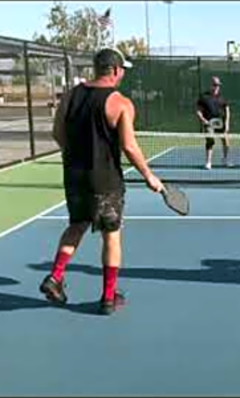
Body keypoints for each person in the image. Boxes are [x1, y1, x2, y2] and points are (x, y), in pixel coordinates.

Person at [39, 48, 164, 315]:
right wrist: (149, 176)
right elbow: (129, 147)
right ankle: (108, 297)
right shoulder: (120, 103)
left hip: (74, 179)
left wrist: (75, 158)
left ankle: (55, 276)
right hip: (105, 182)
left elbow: (57, 133)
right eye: (122, 71)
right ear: (116, 70)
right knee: (111, 237)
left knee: (76, 226)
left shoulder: (71, 96)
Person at [196, 76, 232, 170]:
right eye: (215, 85)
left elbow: (227, 110)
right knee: (210, 141)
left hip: (220, 122)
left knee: (226, 141)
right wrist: (204, 121)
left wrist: (227, 123)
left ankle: (225, 159)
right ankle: (208, 162)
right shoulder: (204, 97)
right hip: (209, 123)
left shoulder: (222, 97)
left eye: (218, 85)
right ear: (211, 85)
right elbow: (198, 111)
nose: (217, 87)